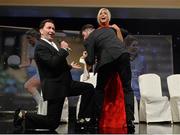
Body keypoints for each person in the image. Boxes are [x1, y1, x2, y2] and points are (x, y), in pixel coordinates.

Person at [13, 19, 95, 131]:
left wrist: (69, 66)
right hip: (56, 87)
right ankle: (23, 115)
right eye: (49, 28)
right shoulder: (40, 46)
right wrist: (64, 50)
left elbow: (57, 64)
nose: (52, 30)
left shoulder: (51, 44)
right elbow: (52, 63)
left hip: (65, 84)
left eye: (53, 28)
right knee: (51, 123)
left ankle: (82, 117)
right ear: (41, 31)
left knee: (88, 88)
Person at [80, 8, 135, 134]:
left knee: (100, 89)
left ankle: (95, 120)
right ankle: (130, 121)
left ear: (109, 18)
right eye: (100, 13)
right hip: (120, 57)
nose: (103, 15)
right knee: (127, 88)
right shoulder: (93, 34)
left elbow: (90, 60)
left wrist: (117, 29)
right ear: (98, 18)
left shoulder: (113, 29)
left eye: (105, 13)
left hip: (112, 58)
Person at [19, 29, 43, 106]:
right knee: (28, 86)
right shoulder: (30, 47)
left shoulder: (41, 45)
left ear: (34, 37)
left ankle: (41, 105)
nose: (28, 40)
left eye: (29, 38)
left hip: (45, 72)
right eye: (27, 38)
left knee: (28, 86)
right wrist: (19, 66)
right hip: (39, 72)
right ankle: (41, 105)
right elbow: (28, 63)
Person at [124, 35, 147, 102]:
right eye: (133, 45)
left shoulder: (142, 59)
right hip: (126, 93)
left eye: (137, 45)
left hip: (139, 94)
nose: (136, 48)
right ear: (127, 47)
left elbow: (144, 77)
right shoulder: (123, 59)